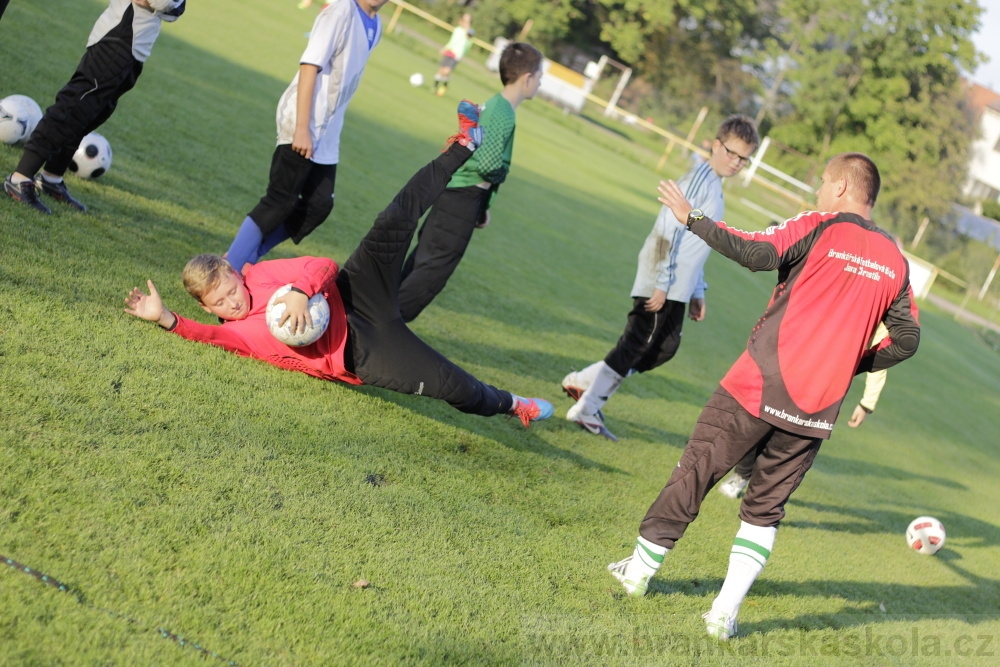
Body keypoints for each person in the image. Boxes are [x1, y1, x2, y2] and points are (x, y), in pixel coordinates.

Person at [606, 153, 920, 640]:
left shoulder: (820, 224)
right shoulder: (895, 261)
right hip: (815, 408)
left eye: (822, 183)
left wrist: (693, 219)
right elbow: (907, 340)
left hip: (756, 384)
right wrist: (849, 364)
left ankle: (639, 574)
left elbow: (757, 252)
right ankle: (723, 614)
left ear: (840, 188)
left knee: (697, 470)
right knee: (765, 508)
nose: (817, 192)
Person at [124, 105, 554, 428]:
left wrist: (298, 291)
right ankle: (515, 404)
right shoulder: (235, 332)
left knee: (395, 219)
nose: (233, 302)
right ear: (208, 306)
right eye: (221, 301)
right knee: (451, 385)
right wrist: (163, 317)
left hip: (353, 293)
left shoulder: (260, 275)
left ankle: (464, 145)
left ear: (237, 273)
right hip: (361, 351)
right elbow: (207, 335)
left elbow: (322, 263)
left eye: (231, 289)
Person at [561, 116, 759, 441]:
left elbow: (699, 241)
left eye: (743, 158)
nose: (736, 163)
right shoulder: (698, 180)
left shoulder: (715, 186)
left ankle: (584, 382)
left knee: (664, 347)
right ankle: (587, 407)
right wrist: (662, 282)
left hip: (679, 285)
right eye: (732, 153)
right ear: (716, 144)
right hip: (663, 279)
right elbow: (667, 228)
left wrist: (697, 290)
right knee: (638, 343)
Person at [224, 0, 387, 274]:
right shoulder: (340, 10)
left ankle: (249, 256)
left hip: (329, 129)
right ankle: (227, 271)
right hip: (304, 118)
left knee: (319, 204)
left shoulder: (376, 25)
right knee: (280, 200)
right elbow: (310, 65)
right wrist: (302, 128)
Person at [397, 42, 544, 323]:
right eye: (539, 78)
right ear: (527, 78)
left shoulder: (496, 104)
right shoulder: (503, 112)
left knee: (423, 262)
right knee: (433, 272)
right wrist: (500, 177)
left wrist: (483, 205)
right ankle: (382, 328)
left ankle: (375, 319)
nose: (539, 84)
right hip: (461, 199)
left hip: (456, 195)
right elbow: (488, 166)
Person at [3, 0, 186, 214]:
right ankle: (20, 177)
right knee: (73, 108)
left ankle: (51, 177)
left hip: (136, 46)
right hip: (118, 38)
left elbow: (173, 11)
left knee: (93, 114)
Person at [716, 312, 916, 499]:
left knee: (788, 440)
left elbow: (879, 358)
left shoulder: (884, 315)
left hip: (824, 386)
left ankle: (762, 493)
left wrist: (867, 403)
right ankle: (741, 476)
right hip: (793, 365)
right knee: (760, 422)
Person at [433, 13, 474, 97]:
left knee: (446, 71)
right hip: (450, 51)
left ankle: (445, 85)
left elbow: (469, 36)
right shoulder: (458, 29)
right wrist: (445, 48)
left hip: (457, 54)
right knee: (441, 70)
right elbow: (452, 41)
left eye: (467, 21)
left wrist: (467, 22)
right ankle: (435, 86)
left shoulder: (470, 32)